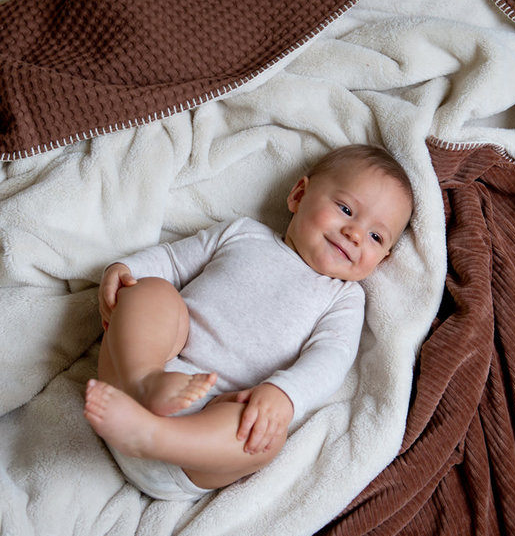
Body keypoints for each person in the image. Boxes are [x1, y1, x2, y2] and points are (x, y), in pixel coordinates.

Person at [83, 144, 414, 500]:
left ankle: (152, 436)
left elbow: (332, 358)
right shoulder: (243, 234)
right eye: (346, 209)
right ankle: (144, 382)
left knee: (266, 438)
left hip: (200, 442)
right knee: (152, 290)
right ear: (299, 195)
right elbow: (172, 261)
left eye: (376, 237)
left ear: (382, 258)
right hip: (133, 379)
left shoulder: (344, 298)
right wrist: (126, 271)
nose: (354, 234)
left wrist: (284, 394)